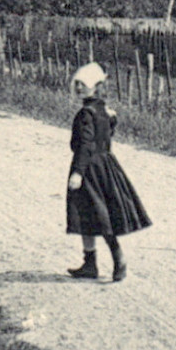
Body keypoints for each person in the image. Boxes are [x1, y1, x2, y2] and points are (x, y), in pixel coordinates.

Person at [65, 62, 151, 281]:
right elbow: (106, 135)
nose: (78, 89)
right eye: (77, 84)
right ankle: (90, 264)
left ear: (95, 87)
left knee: (98, 215)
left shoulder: (86, 113)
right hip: (106, 166)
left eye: (83, 85)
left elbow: (85, 145)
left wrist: (77, 172)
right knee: (89, 214)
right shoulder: (104, 111)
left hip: (89, 169)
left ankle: (118, 258)